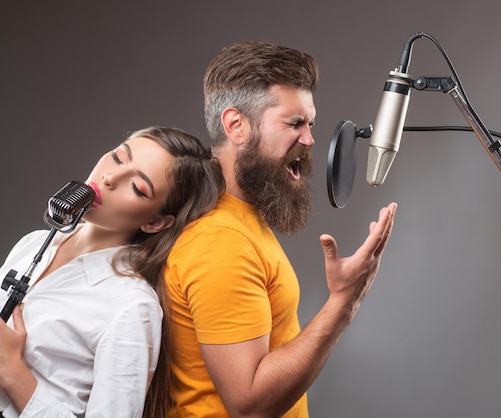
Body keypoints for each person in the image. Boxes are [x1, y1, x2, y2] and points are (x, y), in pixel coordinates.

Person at [164, 40, 398, 417]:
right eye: (295, 123)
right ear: (236, 126)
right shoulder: (219, 242)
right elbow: (250, 404)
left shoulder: (242, 215)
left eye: (310, 124)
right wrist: (343, 303)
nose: (309, 140)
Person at [0, 126, 224, 418]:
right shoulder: (32, 244)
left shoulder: (132, 305)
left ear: (155, 222)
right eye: (119, 158)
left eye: (138, 188)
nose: (109, 177)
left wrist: (12, 372)